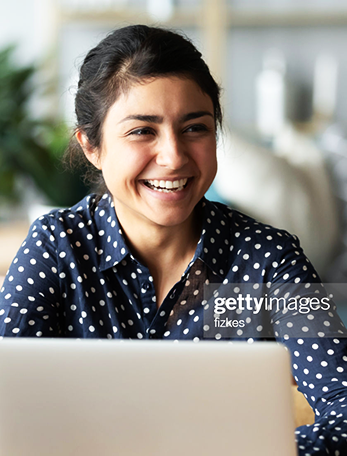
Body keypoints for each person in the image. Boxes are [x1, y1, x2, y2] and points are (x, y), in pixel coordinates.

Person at [0, 24, 346, 454]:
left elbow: (345, 405)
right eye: (143, 131)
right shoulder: (55, 247)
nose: (174, 157)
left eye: (195, 128)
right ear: (92, 145)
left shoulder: (271, 259)